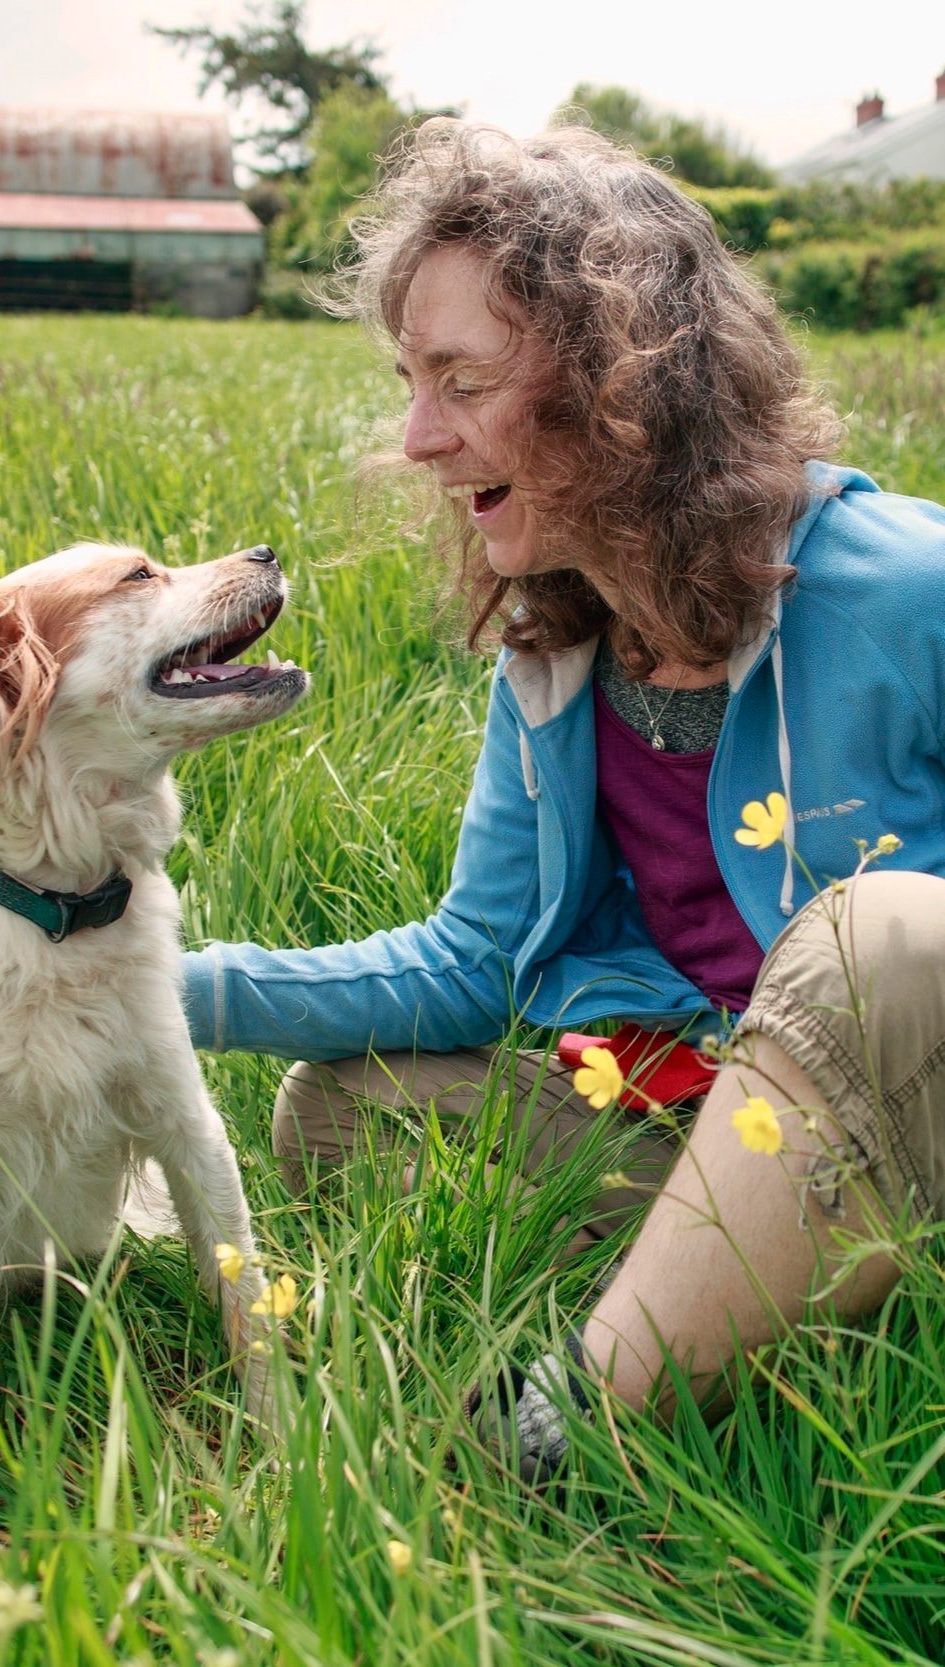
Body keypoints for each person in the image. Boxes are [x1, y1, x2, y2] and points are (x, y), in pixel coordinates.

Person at [181, 118, 945, 1481]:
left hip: (910, 1107)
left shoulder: (906, 584)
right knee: (340, 1109)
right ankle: (757, 1313)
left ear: (622, 384)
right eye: (411, 383)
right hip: (717, 1120)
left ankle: (570, 1428)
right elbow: (473, 964)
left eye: (460, 380)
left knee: (879, 932)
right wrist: (147, 984)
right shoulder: (558, 655)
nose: (419, 439)